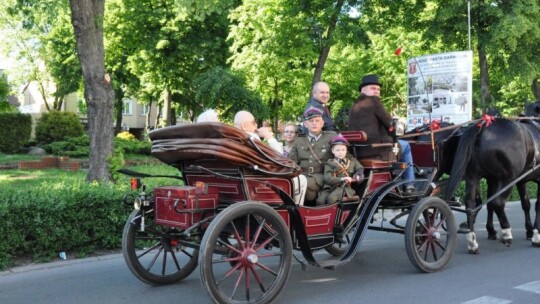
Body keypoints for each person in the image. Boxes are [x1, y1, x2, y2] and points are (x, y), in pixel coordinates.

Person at [348, 74, 415, 193]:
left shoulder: (354, 106)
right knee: (405, 146)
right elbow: (391, 124)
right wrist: (399, 127)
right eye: (373, 88)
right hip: (377, 150)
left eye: (378, 89)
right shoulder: (373, 102)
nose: (377, 91)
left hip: (357, 152)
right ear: (363, 90)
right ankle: (409, 184)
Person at [289, 107, 336, 204]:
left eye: (317, 121)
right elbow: (291, 161)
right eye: (311, 121)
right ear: (305, 124)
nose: (314, 123)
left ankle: (297, 210)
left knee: (300, 184)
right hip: (302, 175)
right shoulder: (299, 140)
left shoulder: (331, 137)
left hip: (321, 176)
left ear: (322, 123)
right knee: (287, 183)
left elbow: (344, 155)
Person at [316, 134, 364, 205]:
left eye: (343, 150)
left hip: (344, 187)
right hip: (330, 187)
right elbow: (328, 178)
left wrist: (358, 175)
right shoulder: (329, 163)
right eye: (337, 150)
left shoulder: (352, 161)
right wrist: (342, 178)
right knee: (320, 201)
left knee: (331, 198)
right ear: (332, 151)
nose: (340, 152)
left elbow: (360, 168)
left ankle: (332, 215)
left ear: (346, 151)